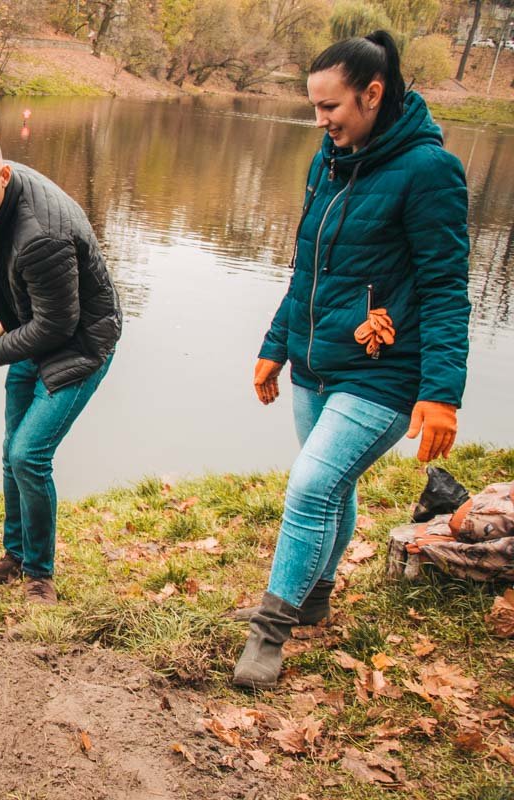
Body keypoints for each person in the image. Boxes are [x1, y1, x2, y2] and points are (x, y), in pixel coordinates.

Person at [235, 30, 471, 690]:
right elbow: (306, 266)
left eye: (331, 107)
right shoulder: (328, 159)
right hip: (316, 360)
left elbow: (447, 287)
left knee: (310, 485)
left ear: (373, 93)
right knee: (331, 486)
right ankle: (313, 598)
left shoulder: (430, 172)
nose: (321, 121)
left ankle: (269, 633)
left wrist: (442, 392)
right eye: (314, 108)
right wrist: (275, 345)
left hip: (386, 370)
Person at [0, 124, 122, 604]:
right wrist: (2, 335)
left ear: (2, 174)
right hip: (31, 327)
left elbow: (58, 325)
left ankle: (40, 575)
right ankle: (15, 557)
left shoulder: (40, 235)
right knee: (10, 451)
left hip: (78, 343)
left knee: (29, 455)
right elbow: (16, 285)